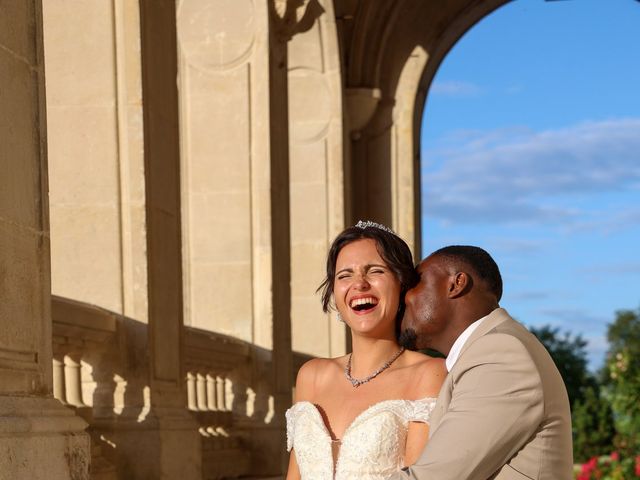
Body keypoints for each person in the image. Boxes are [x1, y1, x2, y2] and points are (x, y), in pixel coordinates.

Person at [390, 245, 573, 480]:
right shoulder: (487, 351)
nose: (404, 297)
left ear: (456, 284)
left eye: (415, 283)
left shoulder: (501, 355)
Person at [285, 221, 448, 479]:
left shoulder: (430, 374)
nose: (359, 284)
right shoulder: (311, 376)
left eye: (375, 271)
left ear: (402, 285)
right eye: (344, 275)